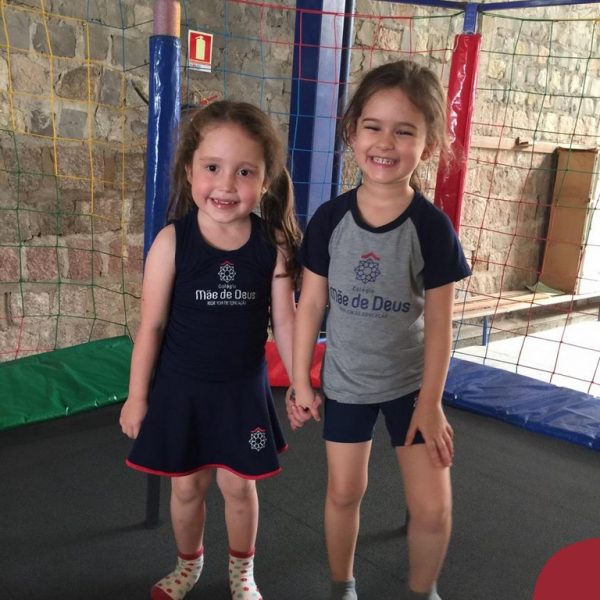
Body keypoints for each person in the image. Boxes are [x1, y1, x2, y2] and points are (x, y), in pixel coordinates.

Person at [288, 60, 472, 600]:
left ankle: (422, 590)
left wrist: (431, 402)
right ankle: (342, 585)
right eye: (373, 126)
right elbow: (311, 303)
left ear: (429, 145)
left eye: (405, 131)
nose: (385, 142)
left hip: (411, 387)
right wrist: (300, 380)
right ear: (352, 132)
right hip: (347, 384)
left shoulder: (430, 228)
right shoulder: (330, 220)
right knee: (345, 492)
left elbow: (440, 322)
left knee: (433, 508)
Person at [120, 100, 301, 600]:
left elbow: (285, 321)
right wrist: (137, 396)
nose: (225, 185)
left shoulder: (272, 245)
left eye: (244, 171)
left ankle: (242, 572)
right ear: (189, 171)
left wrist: (300, 383)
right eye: (212, 168)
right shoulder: (171, 243)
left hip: (241, 391)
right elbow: (151, 326)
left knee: (239, 487)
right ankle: (188, 565)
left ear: (265, 180)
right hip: (181, 390)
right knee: (186, 487)